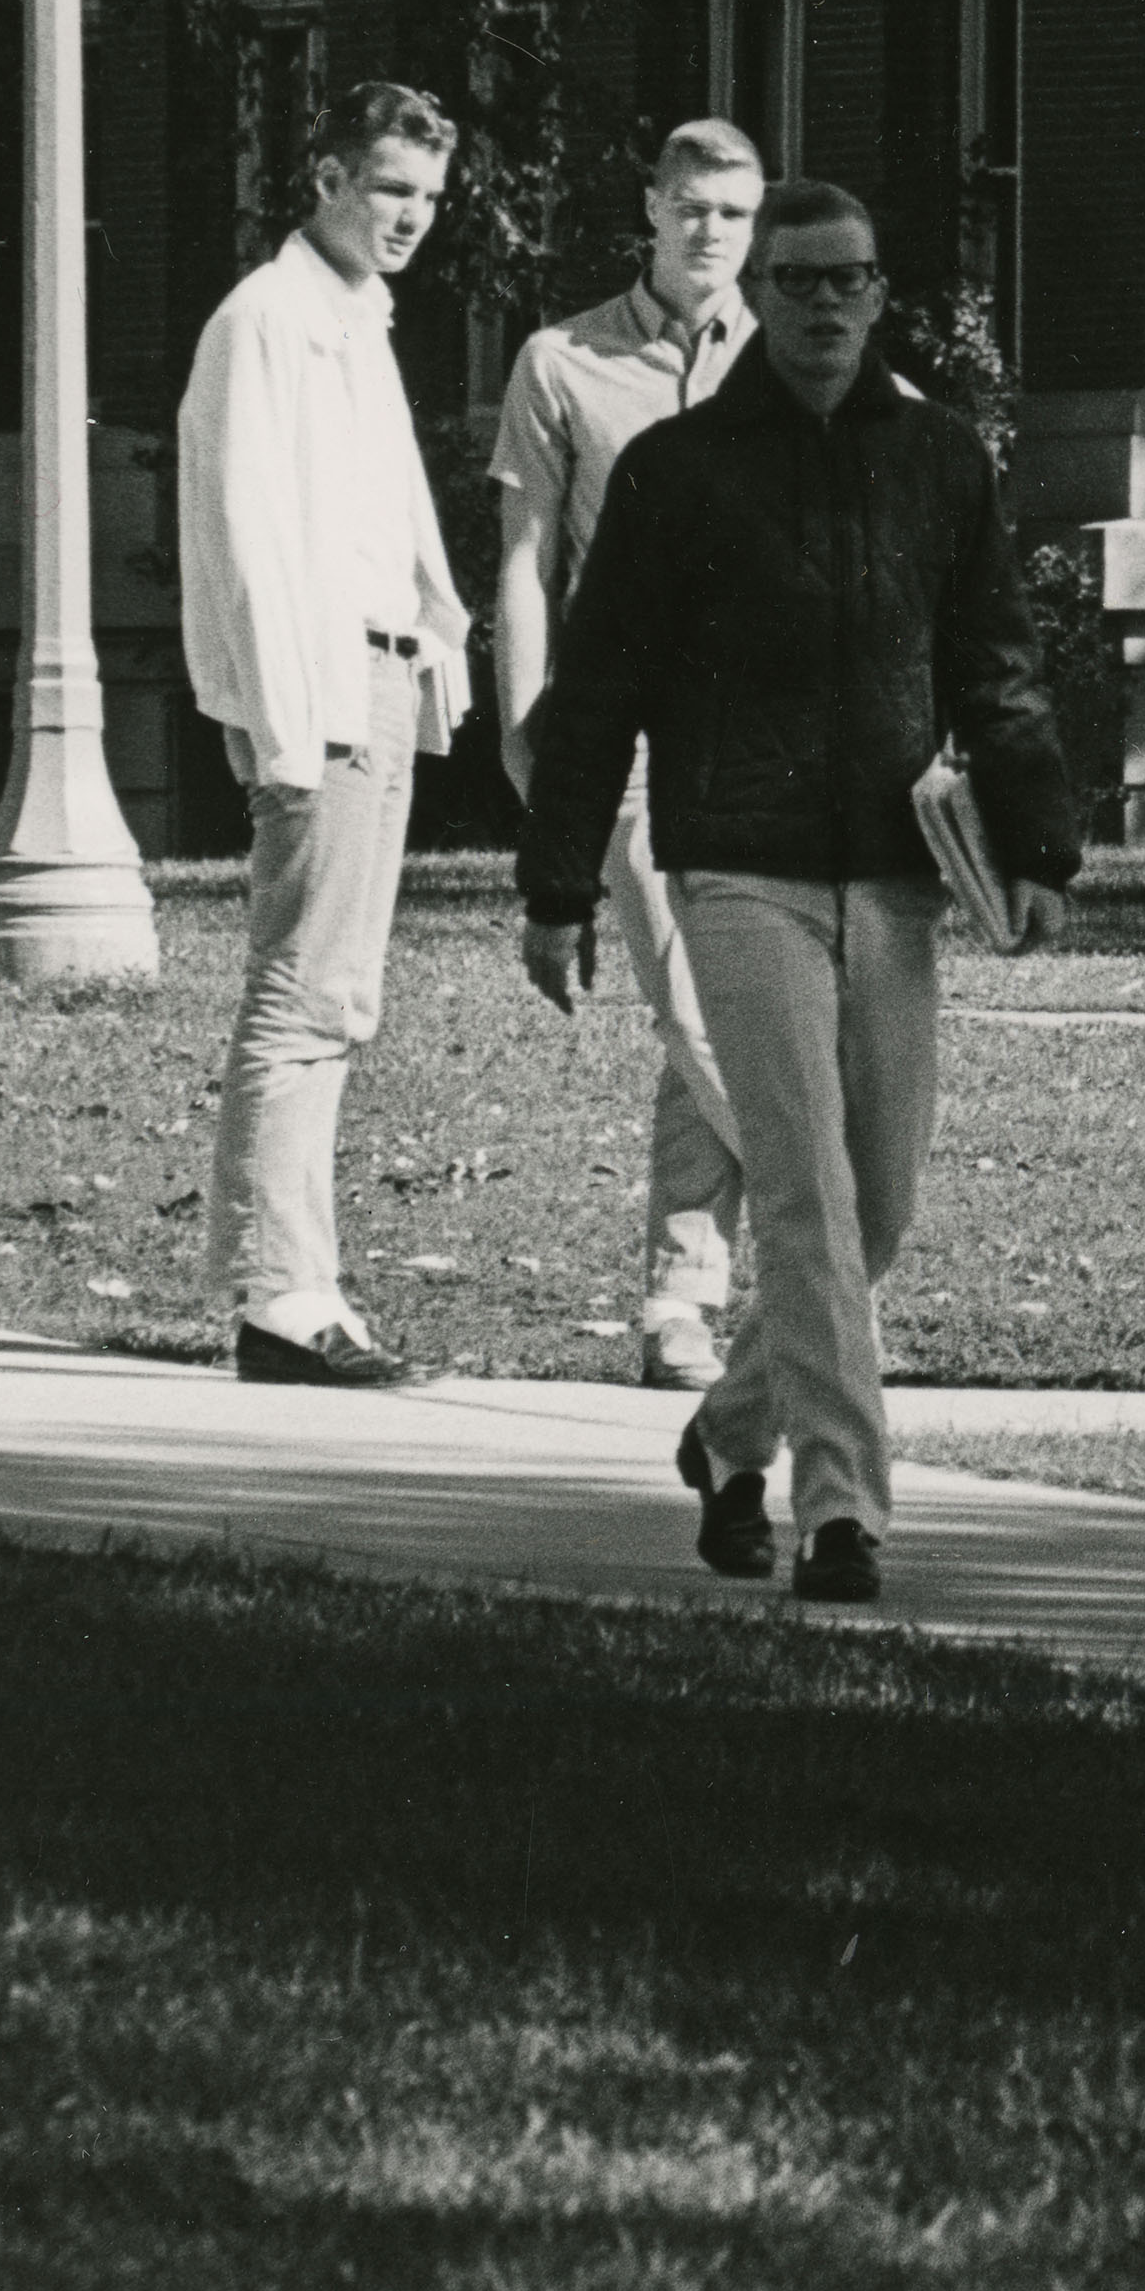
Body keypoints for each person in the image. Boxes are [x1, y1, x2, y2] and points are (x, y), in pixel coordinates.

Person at [510, 176, 1080, 1605]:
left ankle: (724, 1435)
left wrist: (1041, 845)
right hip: (738, 870)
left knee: (875, 1208)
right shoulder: (679, 471)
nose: (827, 304)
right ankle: (843, 1514)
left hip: (893, 881)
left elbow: (995, 663)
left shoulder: (943, 460)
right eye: (800, 280)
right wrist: (559, 885)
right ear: (754, 295)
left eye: (852, 279)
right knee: (809, 1193)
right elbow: (597, 694)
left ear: (881, 294)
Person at [174, 78, 477, 1391]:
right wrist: (284, 723)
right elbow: (242, 535)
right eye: (389, 186)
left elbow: (384, 518)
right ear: (329, 177)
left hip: (380, 680)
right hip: (324, 689)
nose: (408, 215)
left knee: (336, 997)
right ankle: (278, 1293)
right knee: (305, 995)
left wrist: (438, 643)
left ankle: (298, 1280)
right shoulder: (268, 324)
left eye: (426, 194)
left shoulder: (358, 322)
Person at [488, 120, 768, 1388]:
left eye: (734, 212)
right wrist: (526, 730)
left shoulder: (793, 361)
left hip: (761, 741)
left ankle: (679, 1304)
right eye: (690, 207)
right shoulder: (564, 362)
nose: (709, 231)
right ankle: (845, 1241)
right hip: (630, 741)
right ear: (650, 209)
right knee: (706, 1013)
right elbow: (524, 562)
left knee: (699, 1019)